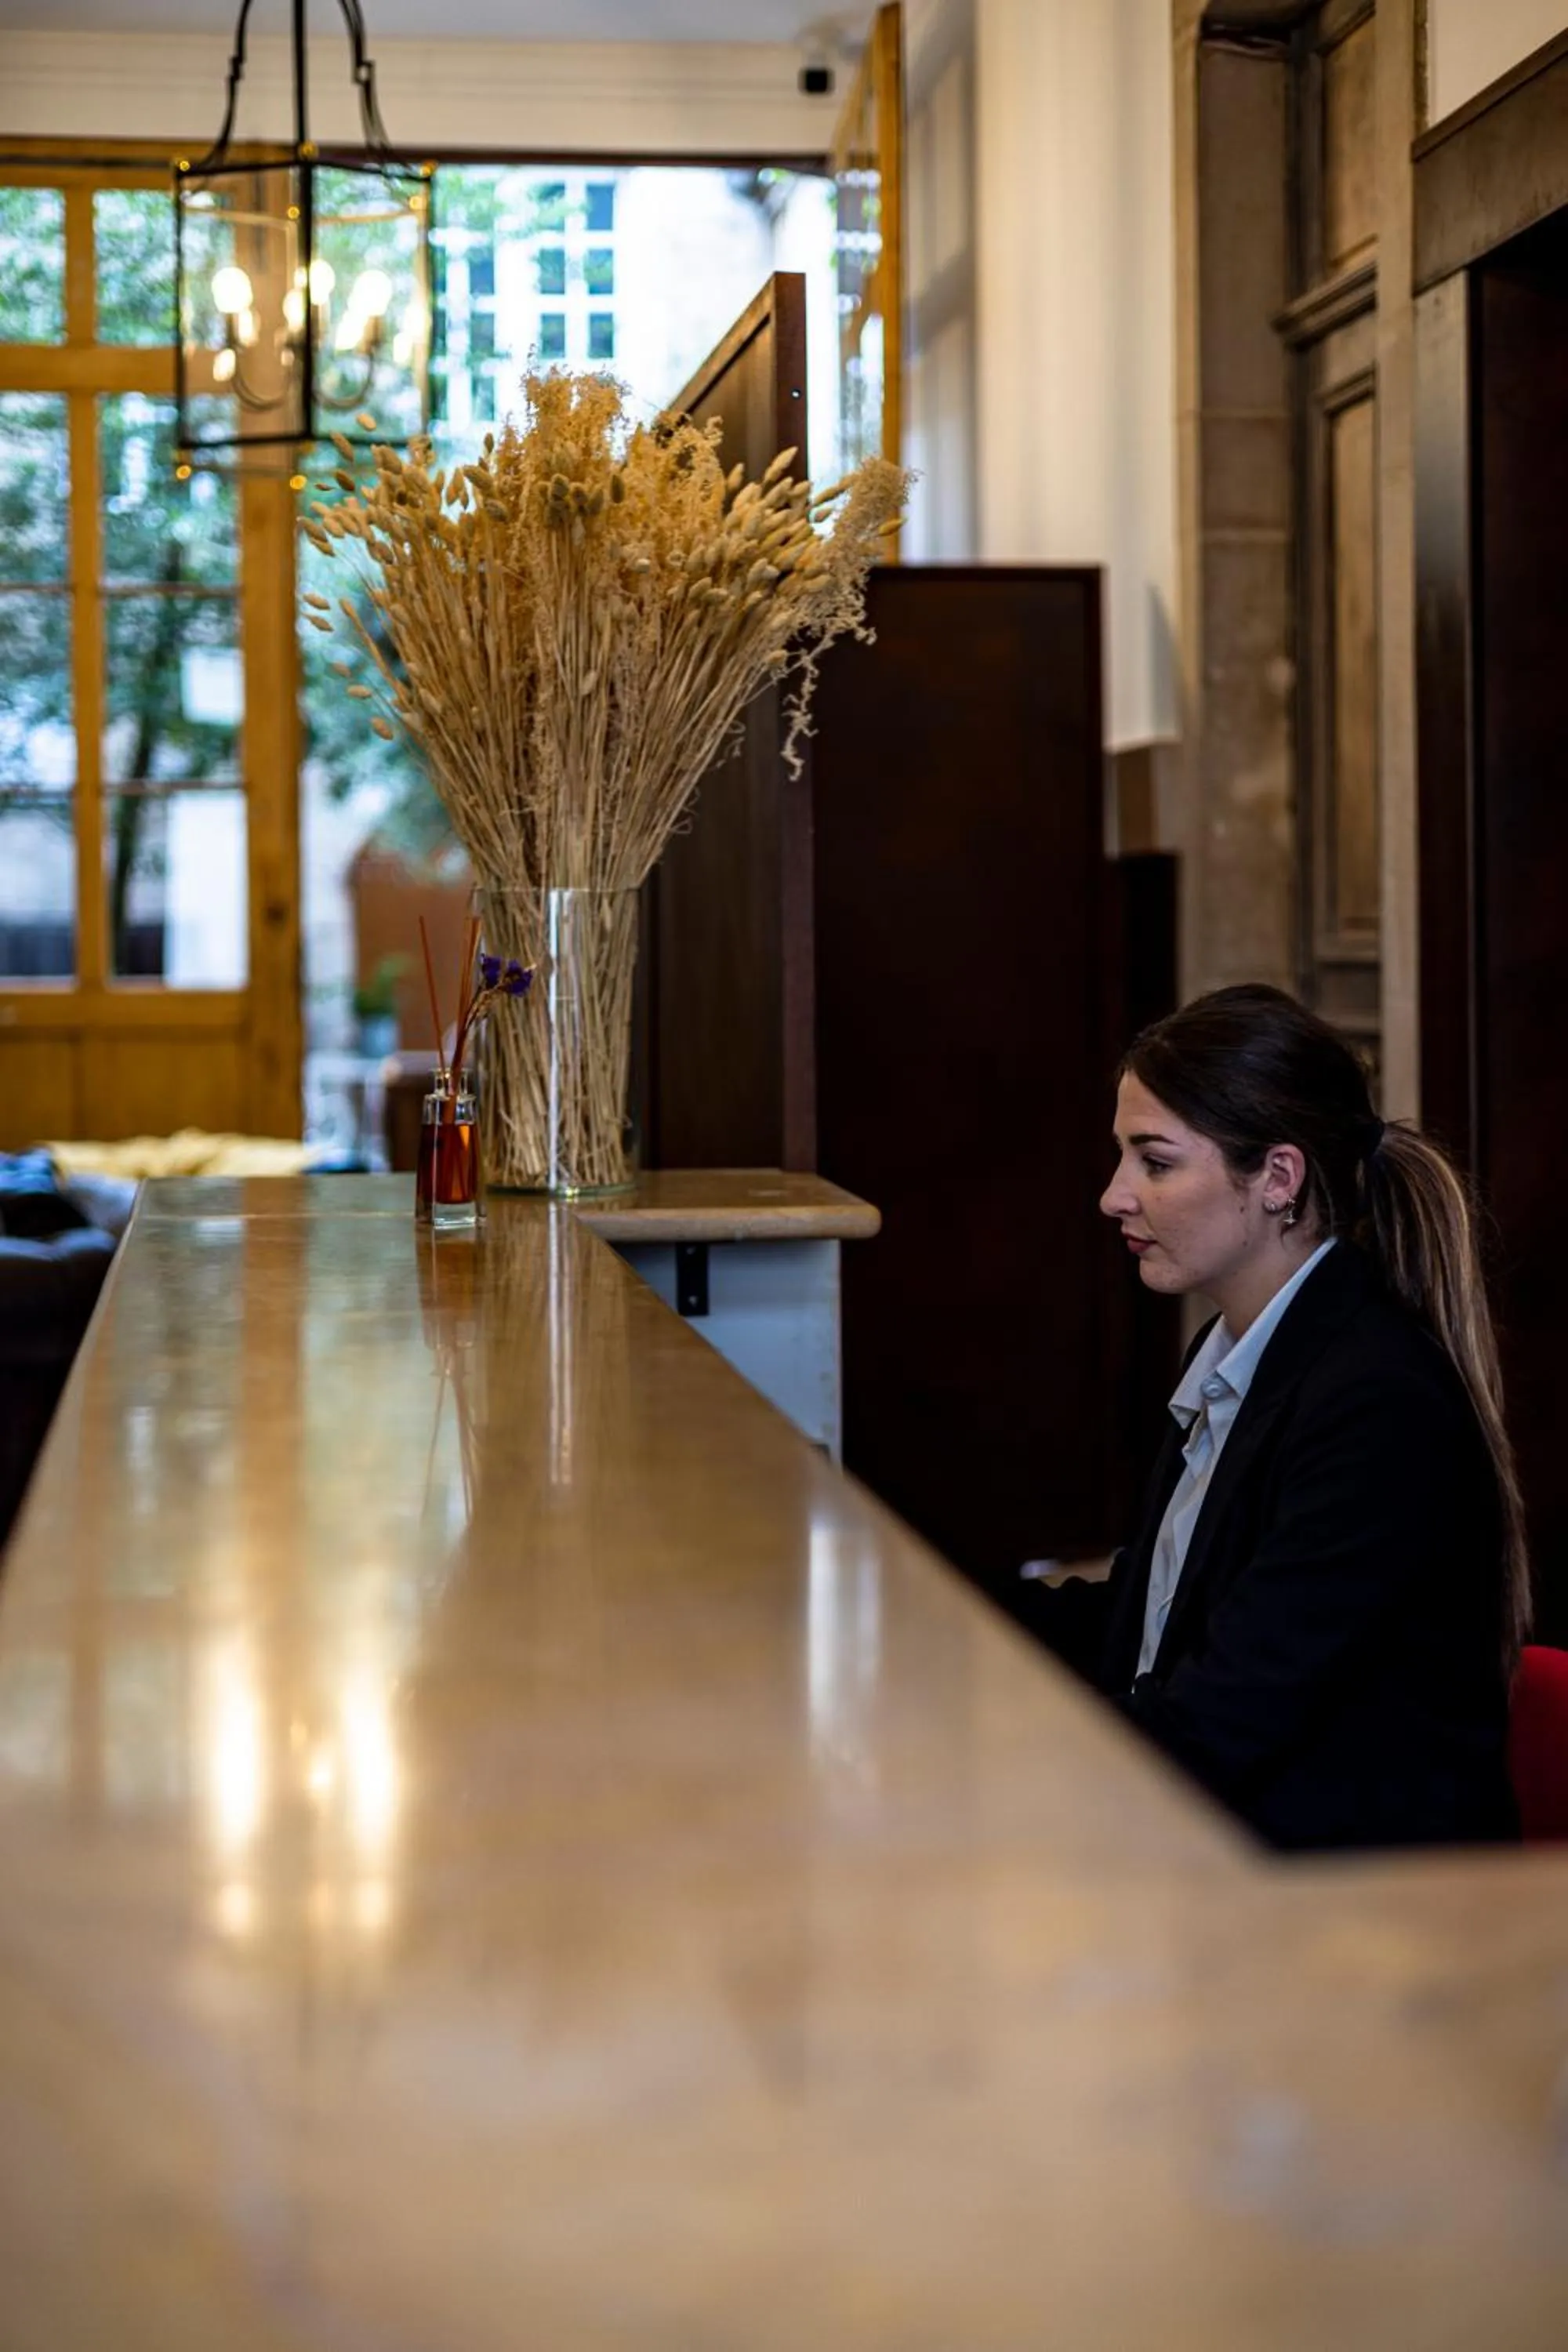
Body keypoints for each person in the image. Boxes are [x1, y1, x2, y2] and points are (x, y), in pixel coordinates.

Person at [1087, 983, 1526, 1852]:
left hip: (1356, 1915)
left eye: (1155, 1162)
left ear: (1277, 1178)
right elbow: (1145, 1625)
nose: (1113, 1195)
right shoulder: (1232, 1353)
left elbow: (1227, 1720)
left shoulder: (1375, 1405)